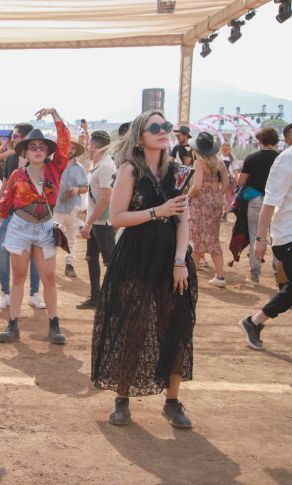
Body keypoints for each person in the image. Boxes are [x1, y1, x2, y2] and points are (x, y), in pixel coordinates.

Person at [91, 110, 198, 429]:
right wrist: (157, 211)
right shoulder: (129, 170)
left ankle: (172, 401)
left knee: (176, 328)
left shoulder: (179, 172)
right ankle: (122, 400)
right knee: (131, 327)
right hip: (136, 256)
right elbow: (117, 217)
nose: (164, 130)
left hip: (172, 259)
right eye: (156, 127)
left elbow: (183, 222)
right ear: (140, 137)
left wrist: (180, 262)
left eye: (166, 126)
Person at [243, 105, 292, 370]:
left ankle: (254, 322)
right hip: (289, 235)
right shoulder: (287, 159)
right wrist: (261, 239)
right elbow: (270, 203)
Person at [0, 107, 71, 345]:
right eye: (32, 147)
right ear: (25, 151)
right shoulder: (17, 175)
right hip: (19, 228)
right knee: (18, 277)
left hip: (45, 228)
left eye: (42, 147)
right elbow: (4, 203)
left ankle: (54, 324)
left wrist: (56, 116)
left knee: (49, 278)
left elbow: (65, 143)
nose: (37, 150)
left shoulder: (55, 169)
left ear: (47, 152)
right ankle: (13, 323)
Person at [0, 122, 44, 310]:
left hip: (34, 219)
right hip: (10, 216)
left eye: (15, 137)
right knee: (3, 253)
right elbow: (4, 188)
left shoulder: (40, 161)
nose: (12, 140)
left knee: (35, 256)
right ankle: (5, 294)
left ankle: (35, 294)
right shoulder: (12, 159)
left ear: (25, 139)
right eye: (12, 137)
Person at [78, 130, 117, 309]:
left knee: (111, 263)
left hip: (102, 223)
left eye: (89, 144)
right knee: (91, 258)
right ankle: (96, 298)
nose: (87, 147)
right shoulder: (99, 164)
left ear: (94, 146)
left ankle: (114, 300)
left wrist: (89, 222)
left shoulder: (106, 166)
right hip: (96, 221)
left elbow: (105, 198)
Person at [238, 127, 280, 283]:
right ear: (275, 141)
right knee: (277, 237)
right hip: (277, 202)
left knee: (255, 235)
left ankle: (255, 272)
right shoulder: (282, 158)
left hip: (256, 200)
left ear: (260, 140)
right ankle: (278, 273)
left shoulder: (251, 158)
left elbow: (241, 182)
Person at [187, 132, 228, 288]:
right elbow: (226, 184)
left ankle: (189, 275)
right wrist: (216, 195)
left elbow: (196, 187)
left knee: (197, 239)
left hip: (200, 203)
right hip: (216, 202)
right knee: (212, 238)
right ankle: (220, 276)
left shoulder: (199, 163)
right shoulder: (220, 163)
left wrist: (188, 198)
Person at [53, 140, 88, 278]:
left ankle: (70, 265)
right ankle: (50, 266)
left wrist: (78, 189)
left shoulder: (81, 169)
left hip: (75, 208)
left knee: (72, 238)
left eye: (73, 148)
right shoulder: (55, 166)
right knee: (53, 238)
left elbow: (86, 187)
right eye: (68, 147)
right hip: (56, 208)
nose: (70, 150)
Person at [219, 142, 240, 222]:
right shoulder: (219, 158)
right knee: (223, 197)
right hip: (221, 180)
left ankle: (226, 213)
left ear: (229, 149)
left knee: (229, 198)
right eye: (223, 148)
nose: (225, 150)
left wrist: (236, 179)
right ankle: (224, 213)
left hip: (230, 180)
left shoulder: (232, 159)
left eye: (226, 148)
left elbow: (235, 170)